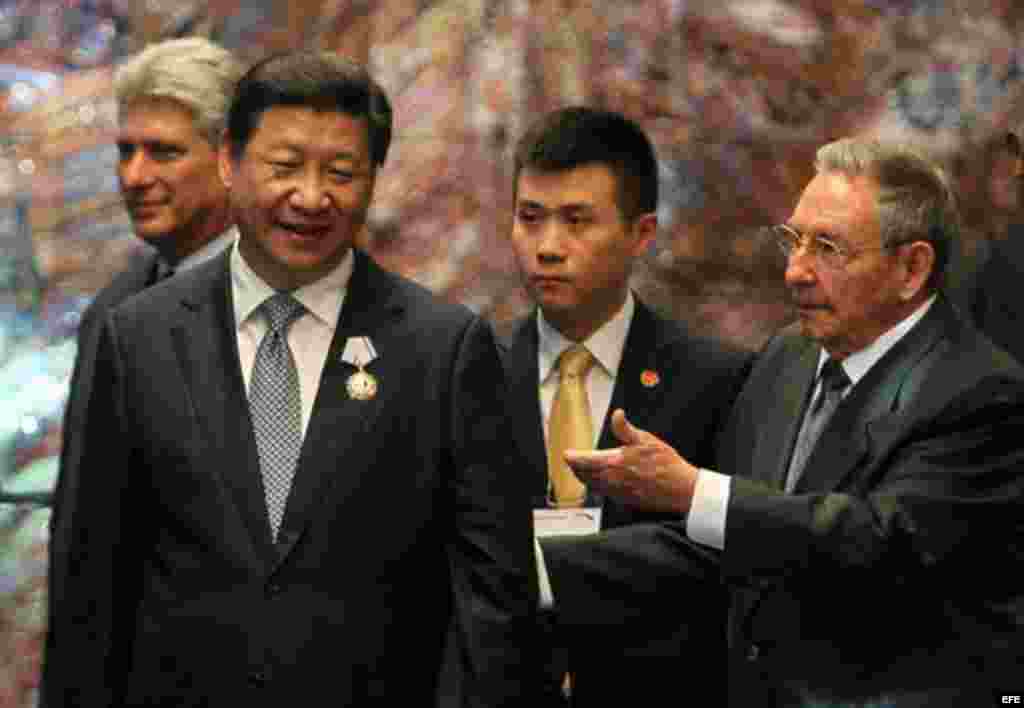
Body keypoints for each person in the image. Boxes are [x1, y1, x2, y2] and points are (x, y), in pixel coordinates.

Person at [43, 50, 536, 706]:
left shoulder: (443, 350)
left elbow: (492, 605)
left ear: (374, 179)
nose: (310, 197)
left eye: (341, 173)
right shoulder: (137, 337)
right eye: (284, 167)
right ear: (229, 161)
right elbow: (90, 590)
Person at [541, 137, 1024, 707]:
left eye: (828, 248)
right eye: (794, 241)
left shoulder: (979, 391)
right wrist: (529, 564)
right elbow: (731, 543)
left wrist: (695, 492)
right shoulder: (788, 358)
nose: (795, 271)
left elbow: (876, 544)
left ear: (911, 268)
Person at [502, 106, 749, 704]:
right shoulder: (471, 369)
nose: (548, 248)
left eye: (576, 221)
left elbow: (727, 558)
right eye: (530, 218)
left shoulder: (716, 380)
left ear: (641, 234)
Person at [44, 36, 244, 700]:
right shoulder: (115, 309)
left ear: (228, 159)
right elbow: (83, 541)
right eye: (125, 151)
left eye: (163, 152)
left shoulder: (280, 305)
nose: (134, 176)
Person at [965, 130, 1024, 363]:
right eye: (1001, 172)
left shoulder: (1014, 244)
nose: (1011, 180)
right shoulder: (966, 249)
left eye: (1016, 172)